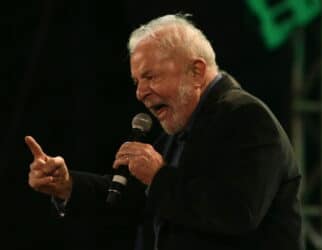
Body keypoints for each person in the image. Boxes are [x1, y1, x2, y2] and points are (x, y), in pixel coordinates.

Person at [25, 13, 304, 250]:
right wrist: (67, 184)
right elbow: (132, 198)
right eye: (136, 81)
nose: (140, 93)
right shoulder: (181, 127)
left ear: (196, 72)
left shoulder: (246, 119)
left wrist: (158, 177)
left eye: (150, 76)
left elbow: (237, 213)